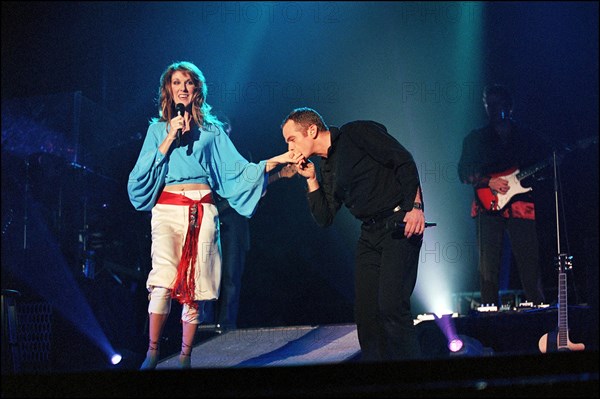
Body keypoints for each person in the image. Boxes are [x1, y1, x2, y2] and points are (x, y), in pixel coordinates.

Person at [127, 61, 293, 370]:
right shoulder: (156, 130)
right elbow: (140, 176)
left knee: (196, 286)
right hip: (167, 210)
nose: (183, 87)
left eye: (189, 82)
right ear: (169, 89)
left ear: (197, 89)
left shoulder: (212, 131)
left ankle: (186, 357)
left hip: (202, 210)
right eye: (177, 82)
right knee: (163, 281)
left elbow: (237, 170)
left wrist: (277, 161)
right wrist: (168, 137)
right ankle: (151, 353)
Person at [280, 107, 426, 362]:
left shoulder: (356, 132)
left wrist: (414, 207)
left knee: (391, 306)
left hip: (398, 224)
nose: (290, 148)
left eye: (291, 139)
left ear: (311, 130)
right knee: (366, 314)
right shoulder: (326, 168)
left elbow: (403, 160)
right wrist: (311, 179)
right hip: (369, 234)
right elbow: (325, 218)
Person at [458, 84, 546, 308]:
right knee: (488, 266)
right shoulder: (475, 139)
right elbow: (463, 172)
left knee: (529, 260)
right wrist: (489, 181)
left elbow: (540, 167)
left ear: (510, 106)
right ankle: (489, 311)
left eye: (499, 104)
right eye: (490, 104)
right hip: (486, 205)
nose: (494, 109)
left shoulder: (526, 136)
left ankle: (537, 307)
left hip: (521, 204)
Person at [205, 119, 298, 333]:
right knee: (206, 273)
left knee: (231, 275)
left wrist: (280, 175)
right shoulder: (204, 155)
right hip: (209, 220)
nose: (223, 134)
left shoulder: (240, 157)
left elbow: (252, 187)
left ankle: (227, 326)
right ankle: (203, 324)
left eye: (226, 129)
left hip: (234, 222)